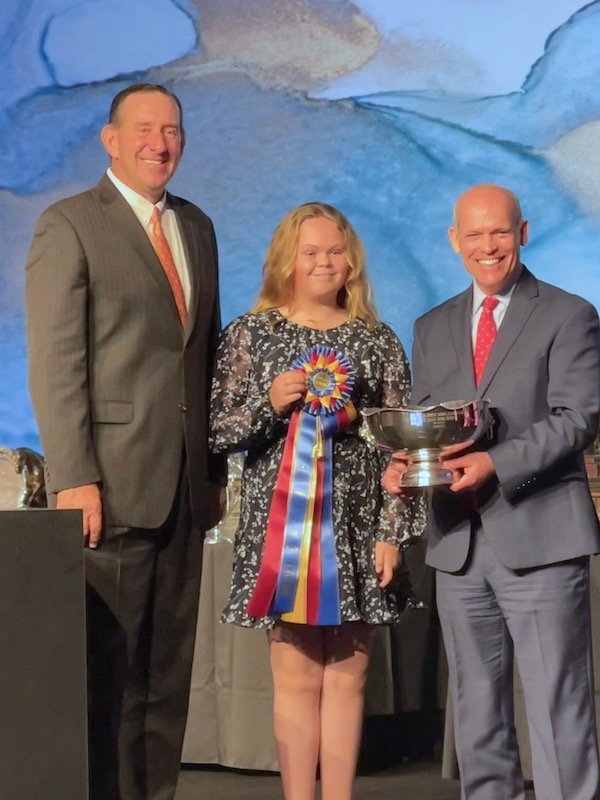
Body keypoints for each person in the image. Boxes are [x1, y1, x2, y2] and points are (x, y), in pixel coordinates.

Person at [25, 83, 226, 800]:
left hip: (183, 494)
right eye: (144, 129)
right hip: (106, 491)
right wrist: (74, 476)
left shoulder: (196, 226)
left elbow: (202, 358)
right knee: (108, 683)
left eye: (172, 129)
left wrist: (213, 470)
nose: (159, 143)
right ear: (110, 140)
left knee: (165, 686)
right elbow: (55, 364)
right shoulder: (69, 225)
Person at [384, 184, 600, 799]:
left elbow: (577, 418)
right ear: (455, 241)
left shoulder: (569, 314)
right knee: (476, 712)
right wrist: (403, 466)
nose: (488, 246)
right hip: (459, 545)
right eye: (474, 235)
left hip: (541, 538)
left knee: (560, 711)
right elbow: (431, 424)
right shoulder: (432, 326)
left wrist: (494, 465)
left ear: (523, 233)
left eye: (499, 233)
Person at [209, 202, 422, 800]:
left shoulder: (376, 340)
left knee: (350, 675)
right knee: (296, 676)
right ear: (287, 260)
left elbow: (399, 450)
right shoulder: (251, 335)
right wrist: (270, 403)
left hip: (359, 533)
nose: (325, 262)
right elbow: (218, 432)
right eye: (311, 252)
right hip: (282, 538)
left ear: (351, 260)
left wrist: (392, 533)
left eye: (335, 250)